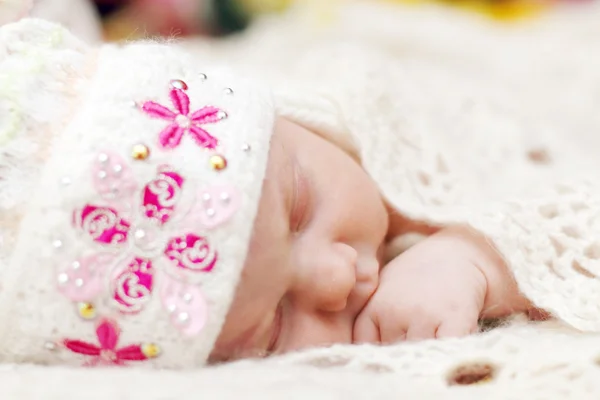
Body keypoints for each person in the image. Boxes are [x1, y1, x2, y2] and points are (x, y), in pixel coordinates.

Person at [1, 1, 600, 369]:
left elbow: (566, 191)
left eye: (300, 209)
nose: (336, 277)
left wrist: (477, 256)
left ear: (283, 120)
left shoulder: (347, 104)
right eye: (277, 327)